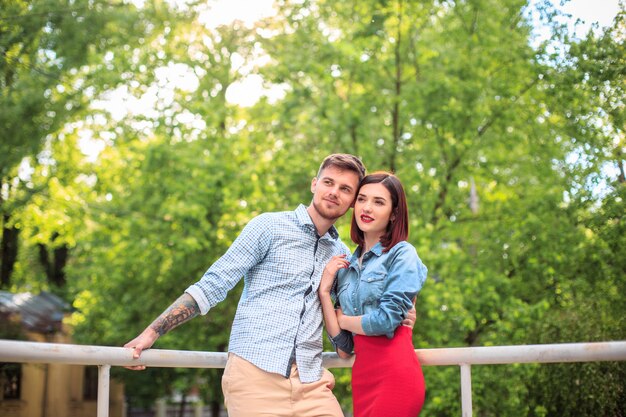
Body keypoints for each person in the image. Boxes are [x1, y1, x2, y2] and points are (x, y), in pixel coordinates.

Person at [124, 154, 416, 417]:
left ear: (352, 201)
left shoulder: (342, 256)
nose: (334, 192)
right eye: (328, 182)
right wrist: (152, 332)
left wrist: (400, 318)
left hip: (312, 383)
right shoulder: (268, 227)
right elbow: (213, 284)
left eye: (345, 189)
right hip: (255, 377)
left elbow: (346, 336)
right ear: (314, 184)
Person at [318, 171, 428, 417]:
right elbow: (345, 348)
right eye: (362, 199)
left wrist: (343, 320)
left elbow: (386, 321)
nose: (367, 208)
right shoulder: (345, 266)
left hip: (395, 375)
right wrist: (325, 293)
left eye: (379, 202)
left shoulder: (402, 254)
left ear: (394, 213)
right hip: (362, 379)